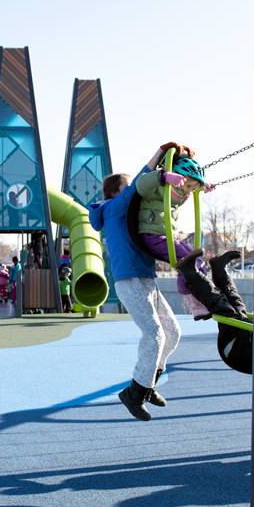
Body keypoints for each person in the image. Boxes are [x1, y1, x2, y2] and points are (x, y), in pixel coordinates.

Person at [89, 142, 192, 421]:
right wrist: (159, 155)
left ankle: (148, 384)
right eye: (125, 186)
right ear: (114, 192)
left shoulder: (126, 210)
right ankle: (135, 392)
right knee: (154, 334)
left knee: (173, 332)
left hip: (145, 278)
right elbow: (138, 185)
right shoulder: (112, 208)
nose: (131, 189)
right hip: (130, 280)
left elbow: (141, 190)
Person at [134, 150, 239, 321]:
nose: (188, 191)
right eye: (187, 186)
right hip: (151, 234)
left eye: (192, 188)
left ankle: (205, 299)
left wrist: (202, 187)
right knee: (186, 262)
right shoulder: (158, 188)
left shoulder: (179, 194)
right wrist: (163, 177)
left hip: (165, 236)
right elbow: (140, 184)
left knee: (198, 260)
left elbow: (187, 189)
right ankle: (192, 303)